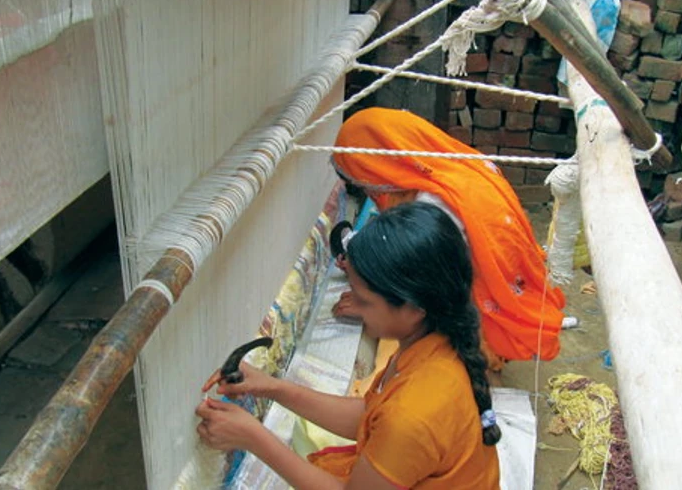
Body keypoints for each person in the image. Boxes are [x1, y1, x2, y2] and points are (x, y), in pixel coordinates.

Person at [197, 202, 501, 489]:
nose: (351, 304)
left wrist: (253, 438)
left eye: (364, 300)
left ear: (413, 308)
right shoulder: (432, 341)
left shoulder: (415, 412)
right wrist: (272, 387)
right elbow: (369, 416)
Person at [330, 107, 566, 366]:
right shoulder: (454, 165)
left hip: (482, 310)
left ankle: (482, 353)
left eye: (363, 181)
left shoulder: (438, 204)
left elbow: (420, 278)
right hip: (496, 282)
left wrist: (369, 304)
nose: (368, 190)